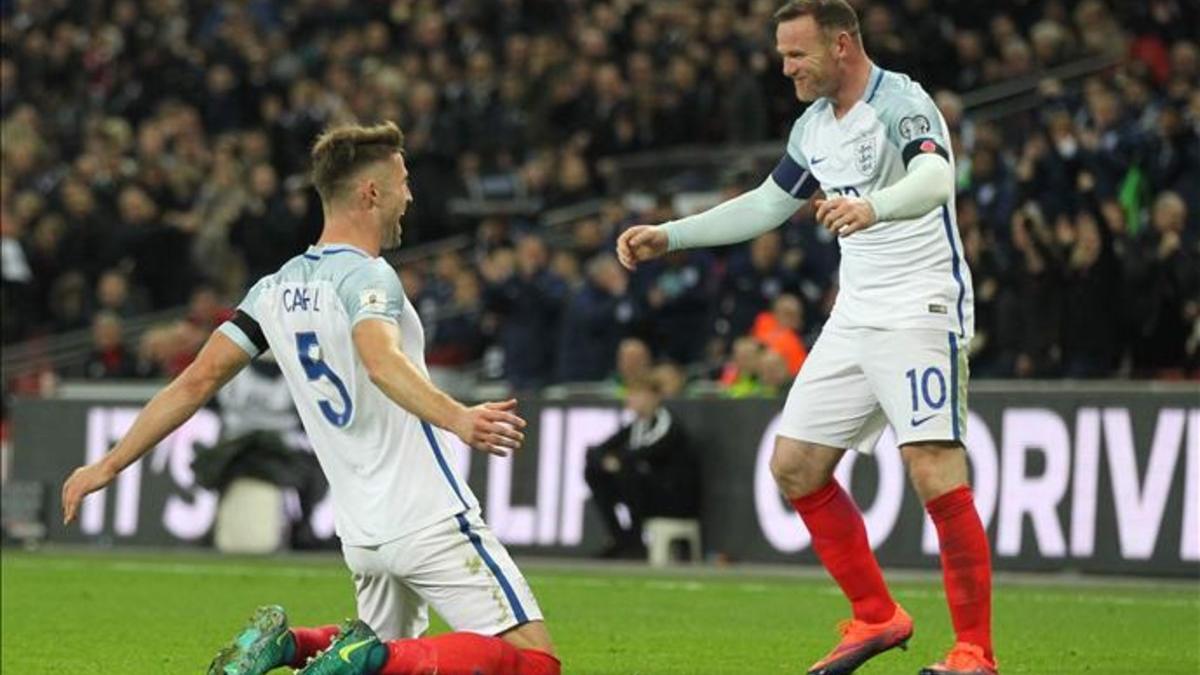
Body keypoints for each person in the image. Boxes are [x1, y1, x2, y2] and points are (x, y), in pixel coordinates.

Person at [62, 121, 559, 675]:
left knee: (383, 656)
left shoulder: (272, 288)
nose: (410, 196)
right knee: (533, 663)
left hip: (362, 531)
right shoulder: (370, 277)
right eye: (403, 182)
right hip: (427, 515)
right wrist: (459, 418)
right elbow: (380, 361)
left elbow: (193, 383)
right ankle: (365, 655)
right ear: (372, 193)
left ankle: (290, 645)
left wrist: (108, 464)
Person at [616, 2, 995, 674]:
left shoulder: (901, 102)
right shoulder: (814, 127)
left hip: (920, 306)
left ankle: (974, 651)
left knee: (932, 465)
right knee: (795, 464)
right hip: (857, 312)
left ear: (842, 45)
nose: (785, 67)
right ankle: (877, 616)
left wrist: (871, 205)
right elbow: (767, 203)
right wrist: (670, 235)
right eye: (783, 54)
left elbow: (937, 178)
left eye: (797, 54)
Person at [584, 377, 699, 559]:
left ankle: (636, 542)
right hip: (646, 491)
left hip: (672, 497)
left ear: (654, 397)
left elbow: (649, 451)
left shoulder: (666, 423)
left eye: (636, 394)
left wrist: (618, 460)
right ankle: (619, 537)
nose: (630, 399)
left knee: (627, 473)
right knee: (594, 472)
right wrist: (605, 460)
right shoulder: (636, 425)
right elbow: (598, 450)